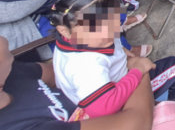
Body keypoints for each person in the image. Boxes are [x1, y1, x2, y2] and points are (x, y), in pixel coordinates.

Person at [51, 0, 175, 119]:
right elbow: (103, 108)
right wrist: (137, 71)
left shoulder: (74, 40)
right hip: (119, 104)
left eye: (114, 22)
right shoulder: (85, 65)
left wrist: (120, 49)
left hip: (114, 83)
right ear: (64, 30)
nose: (110, 34)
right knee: (174, 67)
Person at [0, 34, 159, 130]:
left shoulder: (10, 74)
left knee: (166, 66)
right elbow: (137, 123)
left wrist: (107, 59)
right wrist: (137, 71)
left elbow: (62, 75)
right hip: (130, 117)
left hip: (108, 101)